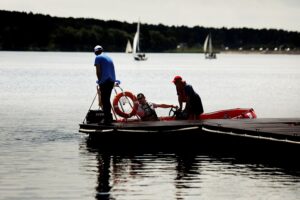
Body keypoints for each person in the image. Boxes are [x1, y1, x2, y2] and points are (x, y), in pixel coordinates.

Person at [94, 45, 116, 124]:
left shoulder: (98, 57)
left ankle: (107, 120)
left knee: (104, 100)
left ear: (95, 52)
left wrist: (100, 81)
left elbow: (98, 71)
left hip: (105, 81)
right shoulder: (109, 57)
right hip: (111, 81)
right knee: (107, 99)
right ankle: (109, 118)